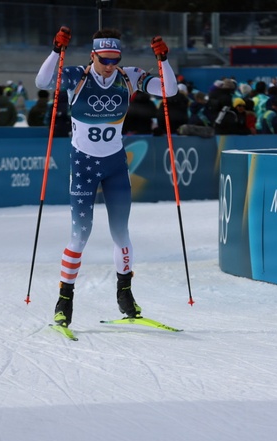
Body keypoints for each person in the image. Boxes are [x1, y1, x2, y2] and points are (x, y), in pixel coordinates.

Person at [35, 26, 177, 329]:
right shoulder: (77, 76)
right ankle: (64, 302)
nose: (110, 66)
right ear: (93, 55)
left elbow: (169, 90)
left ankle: (125, 296)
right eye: (104, 60)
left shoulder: (129, 76)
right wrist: (56, 51)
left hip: (115, 166)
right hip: (84, 167)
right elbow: (42, 81)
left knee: (121, 233)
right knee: (80, 235)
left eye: (115, 59)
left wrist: (163, 60)